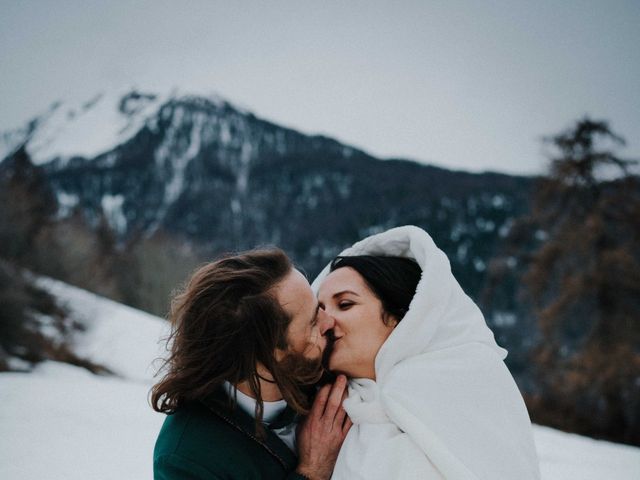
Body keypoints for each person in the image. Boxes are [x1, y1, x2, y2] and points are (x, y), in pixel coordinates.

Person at [313, 226, 541, 480]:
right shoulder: (322, 419)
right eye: (319, 311)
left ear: (401, 317)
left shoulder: (463, 384)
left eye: (345, 304)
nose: (325, 322)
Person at [152, 248, 352, 480]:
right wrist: (311, 473)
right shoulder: (186, 460)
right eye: (313, 322)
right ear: (268, 356)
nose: (330, 321)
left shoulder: (329, 363)